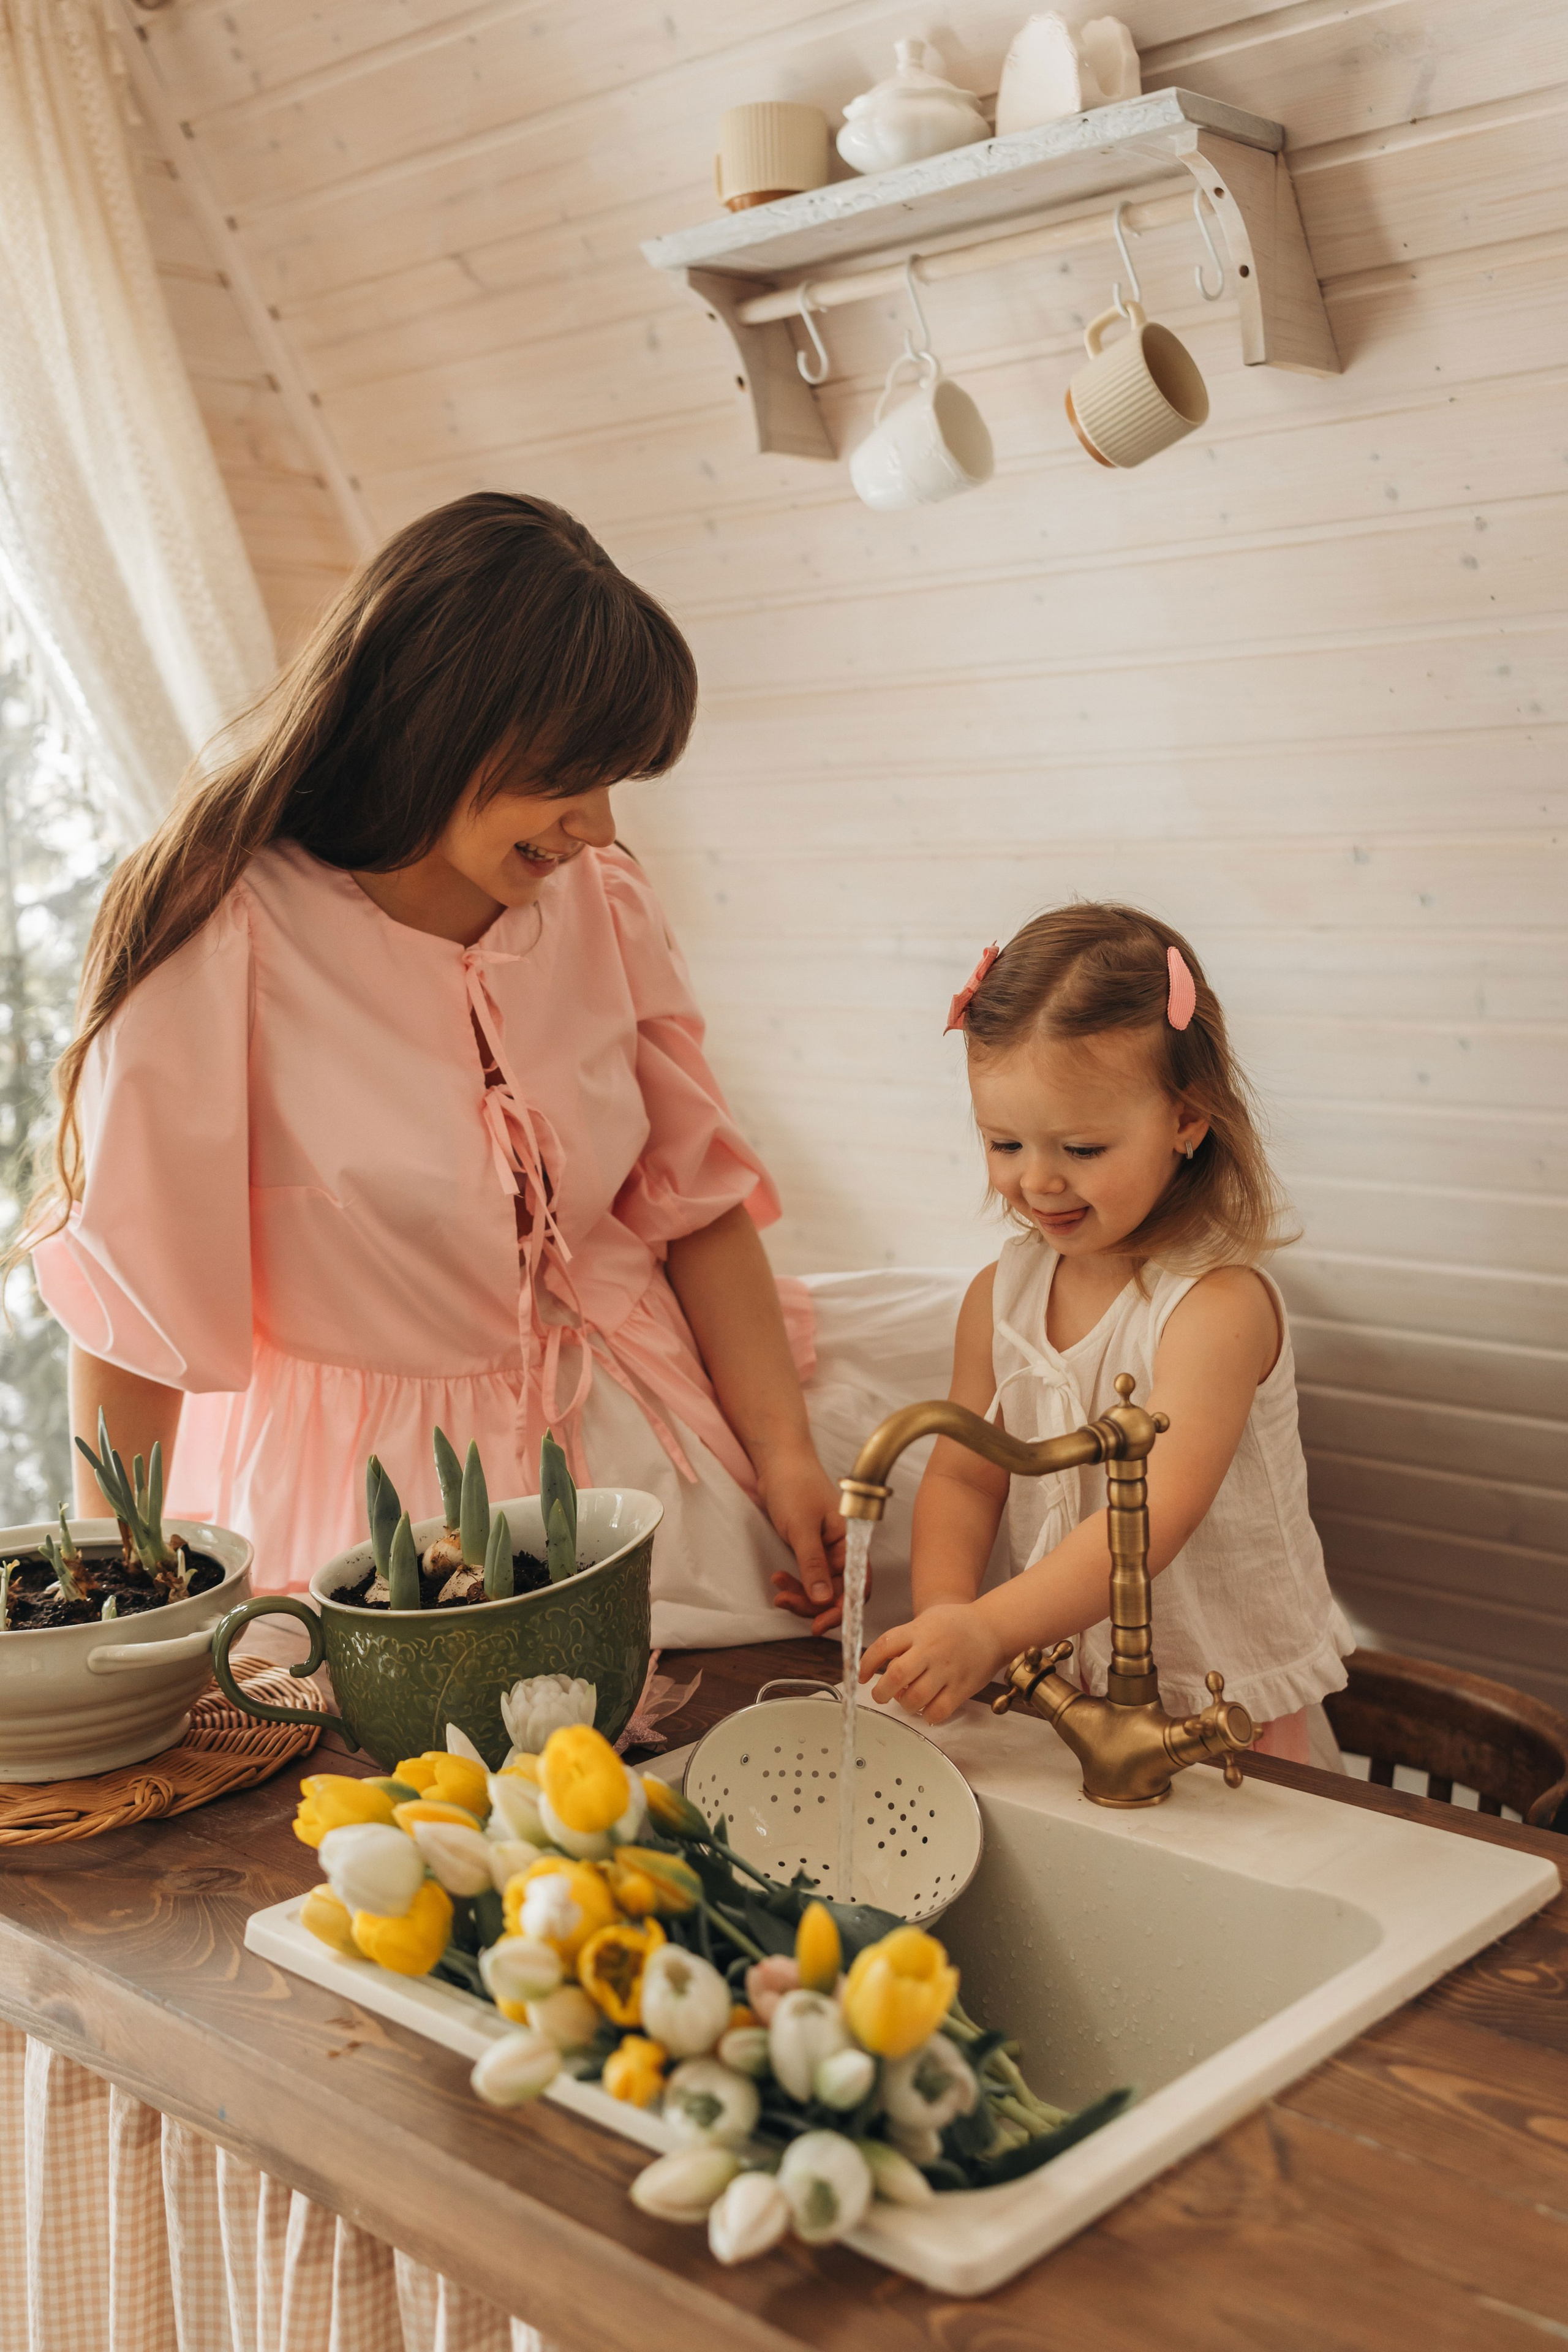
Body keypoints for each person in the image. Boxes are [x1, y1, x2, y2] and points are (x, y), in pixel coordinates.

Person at [23, 492, 850, 1646]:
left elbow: (694, 1205)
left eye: (617, 781)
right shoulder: (224, 929)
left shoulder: (604, 899)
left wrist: (786, 1454)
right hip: (371, 1515)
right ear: (439, 722)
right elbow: (135, 1312)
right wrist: (125, 1614)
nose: (598, 826)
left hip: (651, 1444)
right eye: (570, 778)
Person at [861, 903, 1352, 1762]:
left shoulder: (1215, 1307)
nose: (1038, 1181)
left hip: (1224, 1711)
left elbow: (1155, 1512)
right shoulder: (1000, 1297)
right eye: (1004, 1143)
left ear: (1186, 1121)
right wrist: (948, 1615)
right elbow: (966, 1477)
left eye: (1082, 1149)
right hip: (1070, 1693)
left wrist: (991, 1627)